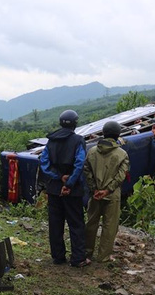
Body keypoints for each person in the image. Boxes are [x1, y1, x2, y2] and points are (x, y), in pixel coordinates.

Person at [39, 109, 89, 267]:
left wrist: (58, 177)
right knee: (76, 223)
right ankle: (78, 258)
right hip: (72, 190)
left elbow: (44, 164)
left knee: (55, 223)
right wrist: (69, 183)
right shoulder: (78, 140)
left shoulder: (51, 141)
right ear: (75, 123)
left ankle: (58, 256)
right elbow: (79, 163)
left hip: (54, 189)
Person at [83, 120, 130, 263]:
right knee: (110, 225)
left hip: (95, 194)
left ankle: (86, 252)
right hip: (112, 195)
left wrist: (95, 189)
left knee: (91, 223)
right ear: (118, 135)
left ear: (103, 133)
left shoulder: (91, 151)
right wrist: (107, 190)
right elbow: (121, 175)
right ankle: (103, 256)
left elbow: (86, 171)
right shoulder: (122, 154)